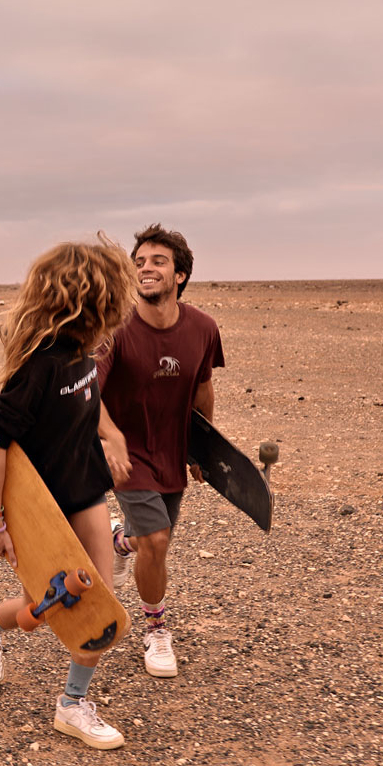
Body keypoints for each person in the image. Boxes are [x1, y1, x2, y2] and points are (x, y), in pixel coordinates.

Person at [0, 237, 138, 749]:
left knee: (98, 603)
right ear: (88, 297)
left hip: (83, 489)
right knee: (44, 600)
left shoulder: (84, 354)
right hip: (39, 505)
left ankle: (73, 705)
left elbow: (92, 396)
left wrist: (112, 434)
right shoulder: (38, 366)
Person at [96, 224, 224, 679]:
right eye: (140, 262)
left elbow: (202, 389)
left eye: (158, 262)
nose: (146, 269)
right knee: (157, 540)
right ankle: (155, 630)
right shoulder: (114, 329)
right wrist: (110, 439)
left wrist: (202, 448)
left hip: (172, 451)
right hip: (126, 453)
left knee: (154, 539)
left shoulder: (203, 328)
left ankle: (117, 540)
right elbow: (87, 393)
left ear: (181, 276)